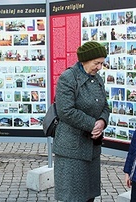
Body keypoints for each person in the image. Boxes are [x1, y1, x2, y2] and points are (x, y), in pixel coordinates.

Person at [53, 41, 110, 202]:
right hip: (71, 149)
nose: (99, 67)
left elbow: (105, 106)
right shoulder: (68, 78)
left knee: (88, 195)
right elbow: (65, 111)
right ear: (84, 60)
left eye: (101, 63)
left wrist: (102, 122)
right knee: (73, 196)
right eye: (96, 63)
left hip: (91, 148)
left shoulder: (97, 79)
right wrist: (93, 124)